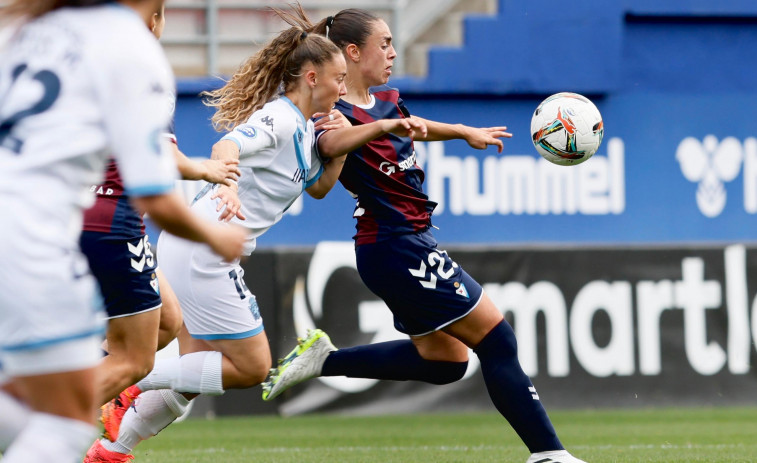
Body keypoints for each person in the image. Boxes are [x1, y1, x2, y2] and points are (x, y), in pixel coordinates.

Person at [83, 5, 426, 462]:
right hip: (206, 246)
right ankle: (128, 380)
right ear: (310, 77)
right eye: (338, 78)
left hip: (201, 248)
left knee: (193, 379)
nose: (344, 88)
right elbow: (230, 144)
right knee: (251, 367)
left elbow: (321, 189)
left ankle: (111, 451)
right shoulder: (281, 118)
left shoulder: (306, 130)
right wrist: (226, 184)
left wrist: (346, 143)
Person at [262, 9, 589, 463]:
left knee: (447, 363)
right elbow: (326, 164)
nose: (394, 53)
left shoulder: (387, 101)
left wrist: (462, 132)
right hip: (395, 246)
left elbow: (413, 128)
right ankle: (549, 455)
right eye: (385, 44)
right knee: (498, 341)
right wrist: (364, 133)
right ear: (353, 53)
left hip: (405, 245)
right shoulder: (334, 116)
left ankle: (324, 361)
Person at [0, 1, 246, 462]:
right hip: (73, 226)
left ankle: (98, 385)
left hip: (20, 218)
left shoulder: (28, 34)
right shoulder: (130, 49)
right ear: (155, 15)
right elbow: (154, 189)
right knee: (80, 400)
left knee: (167, 320)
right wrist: (214, 235)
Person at [79, 2, 242, 417]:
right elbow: (159, 158)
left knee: (168, 320)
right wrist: (206, 169)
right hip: (113, 220)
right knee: (135, 360)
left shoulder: (80, 55)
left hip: (65, 213)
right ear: (154, 20)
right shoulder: (142, 64)